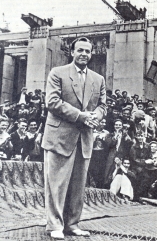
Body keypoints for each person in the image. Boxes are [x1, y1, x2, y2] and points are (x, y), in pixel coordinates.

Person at [42, 37, 107, 239]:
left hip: (84, 138)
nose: (84, 54)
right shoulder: (57, 73)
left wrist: (96, 115)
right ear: (72, 52)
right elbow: (52, 102)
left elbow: (103, 106)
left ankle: (72, 224)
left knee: (78, 185)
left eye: (88, 51)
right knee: (56, 184)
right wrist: (81, 116)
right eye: (80, 50)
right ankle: (55, 226)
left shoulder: (99, 79)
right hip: (59, 137)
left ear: (91, 54)